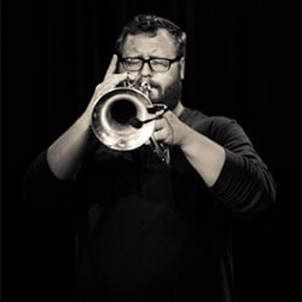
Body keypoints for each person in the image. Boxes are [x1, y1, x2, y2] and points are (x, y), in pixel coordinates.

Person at [23, 14, 276, 302]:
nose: (144, 74)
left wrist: (184, 137)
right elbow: (36, 193)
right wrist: (90, 115)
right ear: (118, 65)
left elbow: (260, 198)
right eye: (133, 61)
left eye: (158, 62)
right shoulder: (93, 139)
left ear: (181, 67)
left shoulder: (215, 129)